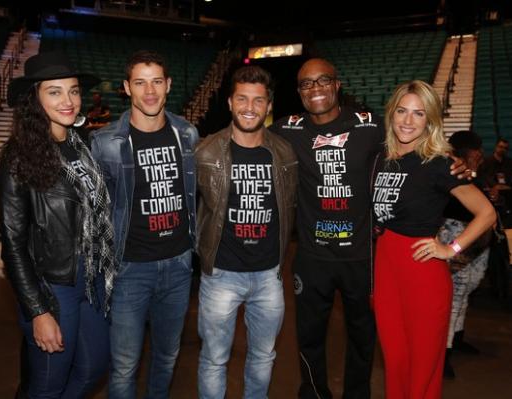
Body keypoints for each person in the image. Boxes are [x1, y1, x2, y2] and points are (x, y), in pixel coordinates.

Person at [270, 58, 468, 399]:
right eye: (306, 84)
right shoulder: (287, 128)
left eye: (323, 81)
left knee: (363, 339)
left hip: (363, 258)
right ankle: (314, 394)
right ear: (299, 91)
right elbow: (247, 134)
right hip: (312, 258)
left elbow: (413, 137)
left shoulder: (371, 126)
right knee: (309, 337)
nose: (315, 89)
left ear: (337, 84)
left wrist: (454, 160)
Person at [0, 51, 115, 399]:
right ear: (34, 98)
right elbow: (14, 244)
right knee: (48, 385)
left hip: (91, 277)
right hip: (53, 285)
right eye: (55, 91)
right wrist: (38, 311)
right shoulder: (18, 155)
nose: (68, 101)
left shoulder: (82, 144)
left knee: (93, 366)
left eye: (74, 90)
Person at [372, 80, 496, 399]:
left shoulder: (439, 163)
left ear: (430, 121)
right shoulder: (381, 157)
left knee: (422, 368)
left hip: (422, 273)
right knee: (396, 362)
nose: (408, 121)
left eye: (419, 114)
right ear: (391, 113)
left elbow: (486, 213)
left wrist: (449, 249)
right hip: (385, 273)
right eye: (402, 111)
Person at [91, 50, 199, 399]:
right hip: (130, 270)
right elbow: (96, 212)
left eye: (156, 82)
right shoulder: (106, 142)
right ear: (127, 88)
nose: (149, 91)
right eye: (140, 82)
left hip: (179, 265)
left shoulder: (187, 134)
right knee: (124, 365)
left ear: (168, 85)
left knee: (167, 357)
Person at [195, 65, 298, 398]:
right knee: (214, 359)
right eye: (242, 98)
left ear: (269, 106)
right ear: (229, 102)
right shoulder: (205, 151)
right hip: (220, 274)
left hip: (269, 275)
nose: (249, 107)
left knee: (263, 357)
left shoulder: (284, 153)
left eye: (258, 101)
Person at [437, 130, 494, 379]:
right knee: (455, 293)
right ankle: (443, 354)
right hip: (455, 233)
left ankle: (456, 339)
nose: (479, 153)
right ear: (462, 151)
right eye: (474, 148)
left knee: (467, 289)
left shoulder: (472, 171)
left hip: (476, 238)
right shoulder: (452, 168)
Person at [478, 137, 512, 220]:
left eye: (505, 148)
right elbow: (482, 176)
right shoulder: (486, 161)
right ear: (496, 147)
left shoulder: (509, 161)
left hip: (507, 194)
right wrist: (494, 186)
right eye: (500, 147)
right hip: (491, 193)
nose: (502, 149)